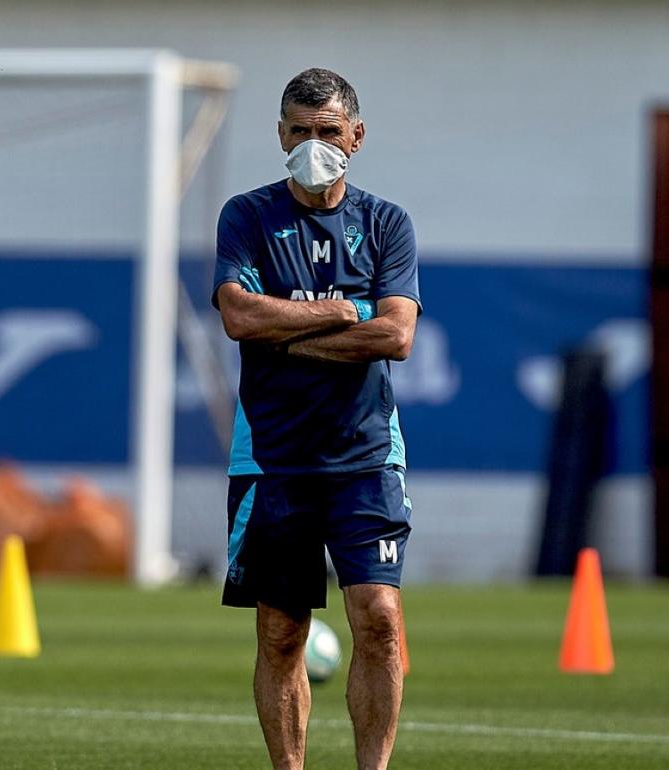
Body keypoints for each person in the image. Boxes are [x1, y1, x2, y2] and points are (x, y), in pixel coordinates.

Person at [213, 67, 420, 770]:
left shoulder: (386, 224)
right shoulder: (247, 216)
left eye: (327, 132)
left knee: (381, 621)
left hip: (366, 455)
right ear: (280, 135)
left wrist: (289, 335)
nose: (313, 145)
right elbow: (239, 316)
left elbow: (395, 335)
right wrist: (341, 311)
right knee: (281, 633)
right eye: (299, 131)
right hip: (273, 458)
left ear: (355, 137)